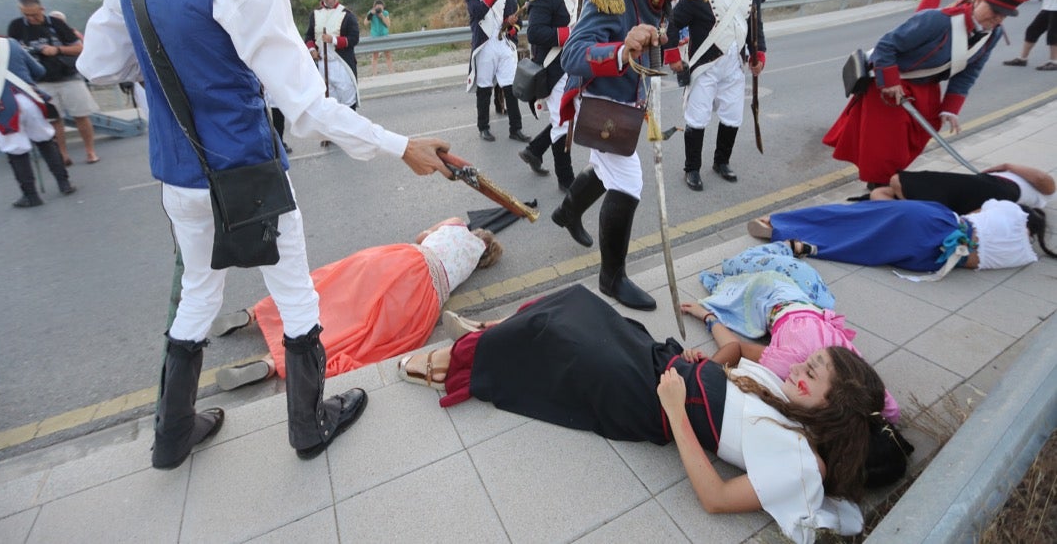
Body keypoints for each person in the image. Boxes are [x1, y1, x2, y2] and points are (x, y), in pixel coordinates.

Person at [79, 0, 451, 469]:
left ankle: (171, 437)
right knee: (296, 297)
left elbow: (98, 62)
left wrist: (176, 67)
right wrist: (402, 145)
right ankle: (309, 427)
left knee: (199, 291)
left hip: (178, 179)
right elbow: (307, 108)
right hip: (248, 177)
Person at [398, 283, 885, 543]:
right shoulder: (791, 403)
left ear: (835, 407)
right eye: (808, 362)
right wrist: (709, 362)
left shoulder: (805, 465)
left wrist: (675, 411)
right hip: (666, 367)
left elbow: (715, 498)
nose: (799, 368)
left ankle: (457, 360)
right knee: (580, 303)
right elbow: (735, 356)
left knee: (566, 338)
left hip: (651, 403)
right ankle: (492, 334)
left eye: (812, 373)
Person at [551, 0, 733, 311]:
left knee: (604, 169)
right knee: (628, 180)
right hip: (598, 98)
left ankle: (567, 212)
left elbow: (652, 42)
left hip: (629, 98)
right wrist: (621, 49)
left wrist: (667, 53)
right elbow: (572, 56)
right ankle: (611, 278)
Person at [822, 0, 1048, 189]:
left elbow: (969, 72)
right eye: (994, 11)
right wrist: (890, 82)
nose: (998, 19)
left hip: (925, 88)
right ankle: (878, 189)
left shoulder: (994, 34)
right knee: (886, 147)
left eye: (1004, 15)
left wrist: (951, 108)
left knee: (918, 136)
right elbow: (886, 46)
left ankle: (888, 185)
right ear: (977, 0)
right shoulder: (937, 20)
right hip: (891, 84)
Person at [210, 217, 503, 389]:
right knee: (362, 334)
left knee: (333, 285)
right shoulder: (474, 263)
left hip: (405, 261)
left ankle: (254, 315)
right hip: (426, 299)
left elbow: (422, 236)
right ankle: (272, 363)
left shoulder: (456, 224)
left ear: (477, 232)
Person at [685, 241, 901, 422]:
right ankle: (790, 245)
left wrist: (708, 317)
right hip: (785, 287)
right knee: (731, 266)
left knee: (732, 273)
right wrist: (705, 372)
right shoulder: (799, 362)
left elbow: (891, 412)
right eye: (809, 370)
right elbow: (736, 349)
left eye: (809, 372)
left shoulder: (855, 382)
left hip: (809, 296)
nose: (794, 369)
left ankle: (791, 250)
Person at [673, 0, 767, 191]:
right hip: (705, 65)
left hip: (735, 65)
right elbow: (674, 24)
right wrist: (672, 56)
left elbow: (755, 25)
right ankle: (692, 168)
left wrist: (759, 53)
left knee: (732, 115)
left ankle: (721, 161)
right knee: (697, 117)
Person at [747, 198, 1055, 277]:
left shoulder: (1011, 211)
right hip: (936, 258)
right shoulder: (1023, 257)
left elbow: (973, 215)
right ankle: (801, 242)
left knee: (854, 215)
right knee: (864, 245)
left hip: (936, 221)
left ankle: (780, 221)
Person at [0, 5, 76, 206]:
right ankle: (64, 183)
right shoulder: (9, 43)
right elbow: (38, 71)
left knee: (16, 150)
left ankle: (31, 196)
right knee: (46, 140)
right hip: (30, 99)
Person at [517, 0, 598, 190]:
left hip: (574, 68)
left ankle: (534, 150)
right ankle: (566, 181)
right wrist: (569, 32)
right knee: (563, 122)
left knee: (566, 117)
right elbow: (537, 33)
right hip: (553, 70)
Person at [7, 0, 100, 165]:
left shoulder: (57, 24)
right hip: (40, 81)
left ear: (41, 9)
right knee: (54, 120)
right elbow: (11, 50)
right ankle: (63, 155)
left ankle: (90, 151)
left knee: (82, 115)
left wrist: (56, 49)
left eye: (34, 14)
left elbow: (79, 48)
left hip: (68, 76)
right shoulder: (16, 27)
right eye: (26, 15)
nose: (31, 19)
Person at [465, 0, 529, 143]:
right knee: (484, 88)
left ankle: (515, 128)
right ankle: (483, 126)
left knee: (510, 88)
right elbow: (477, 13)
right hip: (485, 48)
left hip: (504, 46)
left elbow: (517, 24)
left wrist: (510, 24)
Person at [870, 163, 1054, 214]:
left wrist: (1007, 166)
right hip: (977, 196)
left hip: (997, 189)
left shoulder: (1046, 193)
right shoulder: (1038, 201)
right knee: (879, 193)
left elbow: (1041, 178)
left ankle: (910, 213)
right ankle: (907, 214)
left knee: (897, 180)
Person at [304, 0, 360, 110]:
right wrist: (312, 50)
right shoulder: (314, 15)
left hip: (341, 65)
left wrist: (334, 40)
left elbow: (354, 38)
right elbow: (309, 37)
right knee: (329, 110)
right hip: (323, 65)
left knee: (348, 108)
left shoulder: (347, 15)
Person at [1003, 0, 1057, 70]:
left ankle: (1054, 61)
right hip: (1048, 6)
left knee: (1053, 34)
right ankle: (1023, 58)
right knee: (1032, 30)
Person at [364, 0, 393, 76]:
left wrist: (382, 16)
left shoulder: (385, 13)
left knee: (388, 54)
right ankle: (374, 74)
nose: (379, 9)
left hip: (384, 35)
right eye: (377, 7)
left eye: (381, 7)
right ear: (374, 7)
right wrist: (371, 14)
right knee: (375, 55)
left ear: (383, 7)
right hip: (375, 36)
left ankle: (391, 72)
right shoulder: (371, 13)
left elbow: (388, 25)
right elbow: (365, 23)